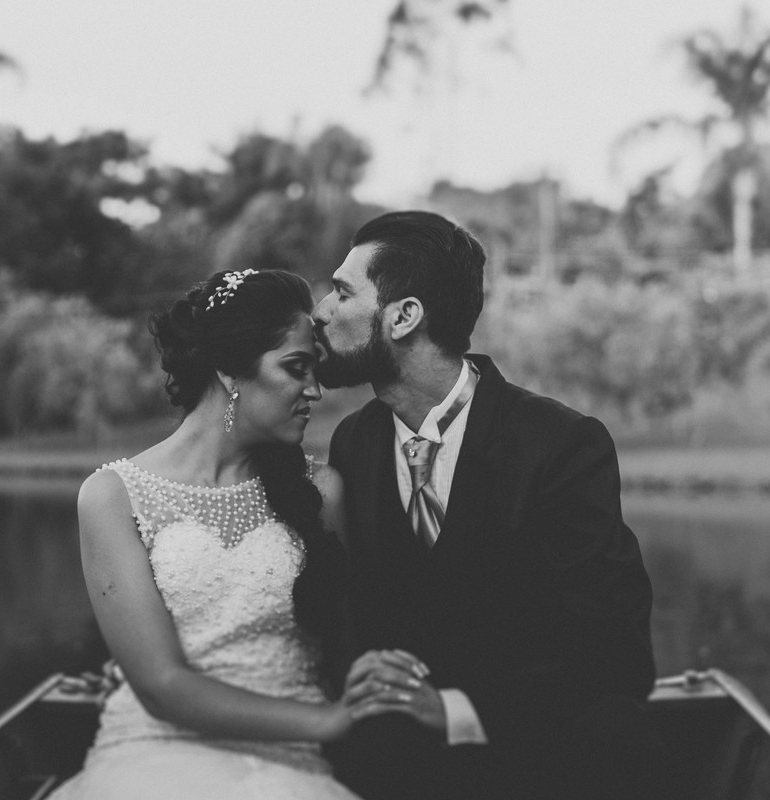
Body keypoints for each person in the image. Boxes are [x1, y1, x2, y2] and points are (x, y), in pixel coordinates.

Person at [313, 211, 672, 800]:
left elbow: (616, 652)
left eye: (343, 292)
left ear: (404, 317)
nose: (322, 311)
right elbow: (359, 603)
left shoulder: (560, 444)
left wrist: (456, 711)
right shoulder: (355, 441)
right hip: (400, 757)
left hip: (540, 745)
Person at [48, 269, 403, 799]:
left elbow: (346, 636)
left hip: (292, 766)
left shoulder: (320, 492)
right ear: (230, 372)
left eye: (315, 369)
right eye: (296, 367)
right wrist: (328, 721)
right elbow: (161, 685)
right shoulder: (113, 496)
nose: (315, 390)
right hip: (153, 755)